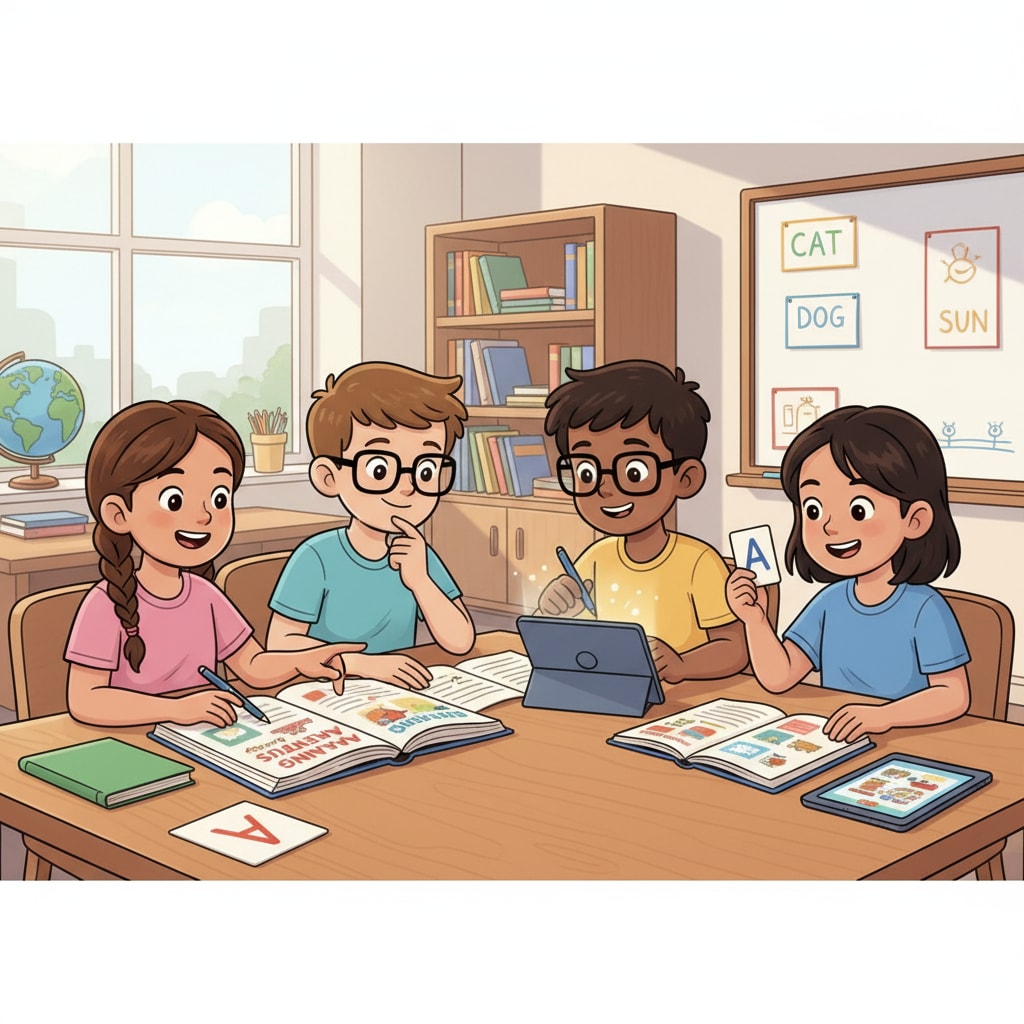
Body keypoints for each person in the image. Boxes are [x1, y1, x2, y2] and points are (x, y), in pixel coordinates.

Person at [66, 401, 365, 728]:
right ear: (119, 514)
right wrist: (175, 709)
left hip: (207, 738)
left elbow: (251, 665)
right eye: (174, 500)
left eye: (219, 497)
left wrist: (300, 661)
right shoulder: (105, 603)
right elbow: (85, 700)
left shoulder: (204, 594)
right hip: (135, 745)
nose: (204, 515)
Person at [725, 405, 971, 743]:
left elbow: (953, 695)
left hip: (904, 744)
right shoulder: (830, 602)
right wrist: (755, 619)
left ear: (914, 520)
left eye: (859, 509)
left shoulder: (924, 608)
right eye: (813, 508)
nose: (829, 525)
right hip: (839, 741)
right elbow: (779, 677)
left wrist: (884, 716)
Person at [535, 360, 747, 684]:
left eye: (634, 472)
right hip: (608, 689)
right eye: (586, 472)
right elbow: (563, 644)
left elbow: (735, 649)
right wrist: (549, 612)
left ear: (686, 478)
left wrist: (682, 665)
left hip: (681, 704)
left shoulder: (699, 563)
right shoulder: (595, 558)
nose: (605, 488)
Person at [266, 362, 475, 687]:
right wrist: (360, 664)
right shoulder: (316, 557)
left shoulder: (417, 555)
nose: (408, 487)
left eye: (426, 470)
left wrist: (420, 581)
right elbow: (281, 644)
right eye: (380, 469)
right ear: (329, 476)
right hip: (328, 691)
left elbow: (460, 641)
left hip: (395, 694)